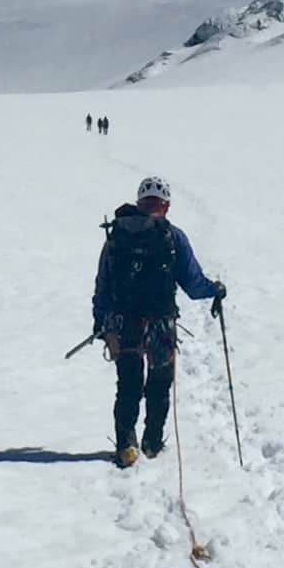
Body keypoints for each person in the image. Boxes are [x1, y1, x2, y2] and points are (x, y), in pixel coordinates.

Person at [92, 175, 224, 467]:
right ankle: (152, 441)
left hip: (123, 320)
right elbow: (193, 283)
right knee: (160, 380)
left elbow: (103, 282)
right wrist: (215, 289)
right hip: (161, 322)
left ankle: (127, 444)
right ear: (166, 206)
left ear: (139, 203)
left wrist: (101, 322)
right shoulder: (172, 236)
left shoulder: (117, 235)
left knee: (128, 382)